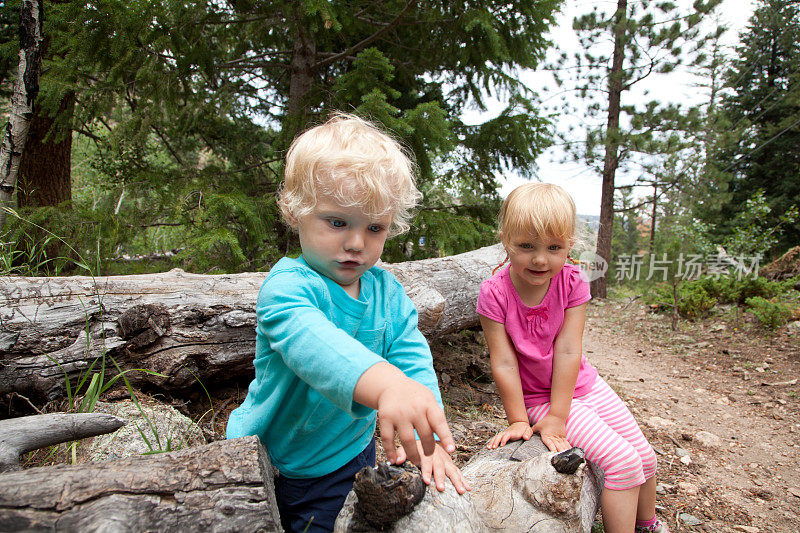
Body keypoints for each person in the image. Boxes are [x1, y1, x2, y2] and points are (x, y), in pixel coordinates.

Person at [227, 113, 469, 533]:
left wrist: (427, 436)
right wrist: (388, 385)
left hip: (344, 460)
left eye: (374, 227)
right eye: (337, 222)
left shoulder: (387, 294)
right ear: (296, 211)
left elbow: (412, 360)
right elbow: (317, 348)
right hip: (267, 457)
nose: (356, 243)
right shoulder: (287, 288)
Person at [476, 183, 667, 533]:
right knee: (623, 463)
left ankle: (647, 525)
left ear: (569, 245)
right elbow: (502, 362)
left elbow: (568, 350)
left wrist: (561, 416)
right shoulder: (495, 293)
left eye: (553, 247)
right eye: (526, 246)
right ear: (505, 240)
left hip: (582, 385)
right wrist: (521, 419)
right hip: (538, 398)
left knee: (645, 457)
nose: (539, 259)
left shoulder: (573, 281)